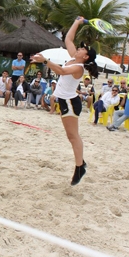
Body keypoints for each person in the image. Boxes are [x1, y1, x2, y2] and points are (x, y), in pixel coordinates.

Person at [30, 17, 98, 185]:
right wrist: (77, 21)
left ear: (86, 56)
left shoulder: (78, 67)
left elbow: (60, 70)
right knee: (71, 136)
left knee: (73, 137)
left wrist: (45, 60)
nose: (80, 48)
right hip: (64, 100)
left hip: (69, 102)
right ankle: (81, 164)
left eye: (83, 48)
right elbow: (68, 38)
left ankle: (80, 167)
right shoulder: (74, 58)